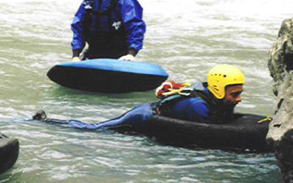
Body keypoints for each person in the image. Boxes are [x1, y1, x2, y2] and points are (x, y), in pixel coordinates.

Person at [34, 64, 245, 130]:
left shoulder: (213, 99)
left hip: (153, 112)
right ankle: (46, 121)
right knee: (94, 129)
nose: (239, 99)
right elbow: (213, 131)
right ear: (219, 90)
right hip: (142, 117)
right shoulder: (198, 107)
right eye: (234, 94)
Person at [71, 0, 146, 62]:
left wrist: (131, 54)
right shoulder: (89, 1)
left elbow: (135, 27)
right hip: (94, 54)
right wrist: (75, 55)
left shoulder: (125, 0)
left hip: (120, 56)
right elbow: (78, 28)